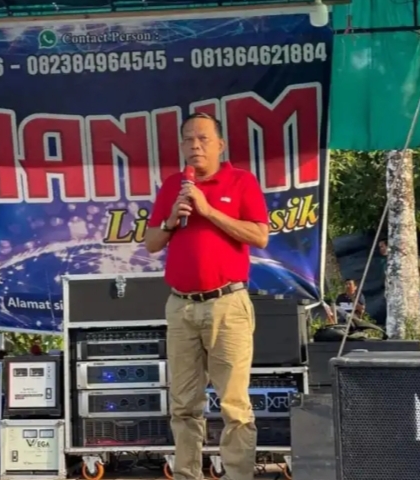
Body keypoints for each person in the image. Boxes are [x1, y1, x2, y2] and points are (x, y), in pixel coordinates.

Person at [145, 112, 269, 480]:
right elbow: (151, 243)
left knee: (234, 405)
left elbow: (260, 236)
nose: (194, 145)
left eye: (203, 138)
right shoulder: (173, 185)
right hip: (181, 306)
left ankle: (238, 475)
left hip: (226, 304)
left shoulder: (241, 181)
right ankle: (187, 474)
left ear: (220, 145)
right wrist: (171, 220)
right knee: (184, 405)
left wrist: (208, 210)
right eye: (188, 139)